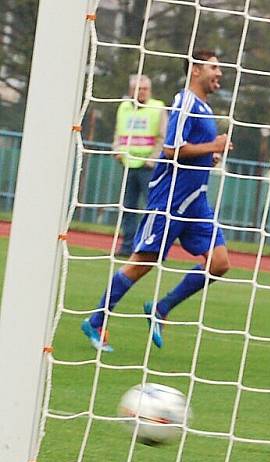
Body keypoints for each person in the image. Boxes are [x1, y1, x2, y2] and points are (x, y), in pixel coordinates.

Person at [81, 50, 232, 353]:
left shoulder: (203, 107)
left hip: (195, 202)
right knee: (141, 265)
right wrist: (213, 145)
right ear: (195, 70)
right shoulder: (185, 102)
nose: (220, 74)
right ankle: (95, 321)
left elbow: (191, 151)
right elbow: (171, 149)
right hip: (170, 201)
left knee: (219, 263)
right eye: (214, 67)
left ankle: (160, 309)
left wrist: (210, 155)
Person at [113, 74, 167, 257]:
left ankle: (152, 247)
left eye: (144, 89)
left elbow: (162, 136)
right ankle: (128, 245)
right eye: (138, 89)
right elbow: (118, 131)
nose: (141, 92)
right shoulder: (124, 108)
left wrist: (153, 158)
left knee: (152, 207)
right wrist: (117, 150)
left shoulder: (157, 108)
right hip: (128, 164)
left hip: (148, 166)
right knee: (128, 206)